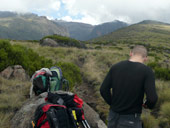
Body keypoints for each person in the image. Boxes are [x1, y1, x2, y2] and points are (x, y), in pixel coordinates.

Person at [100, 45, 158, 128]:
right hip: (131, 119)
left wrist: (113, 104)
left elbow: (103, 89)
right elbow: (152, 98)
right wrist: (148, 105)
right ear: (145, 58)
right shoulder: (147, 72)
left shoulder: (116, 67)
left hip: (112, 116)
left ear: (131, 53)